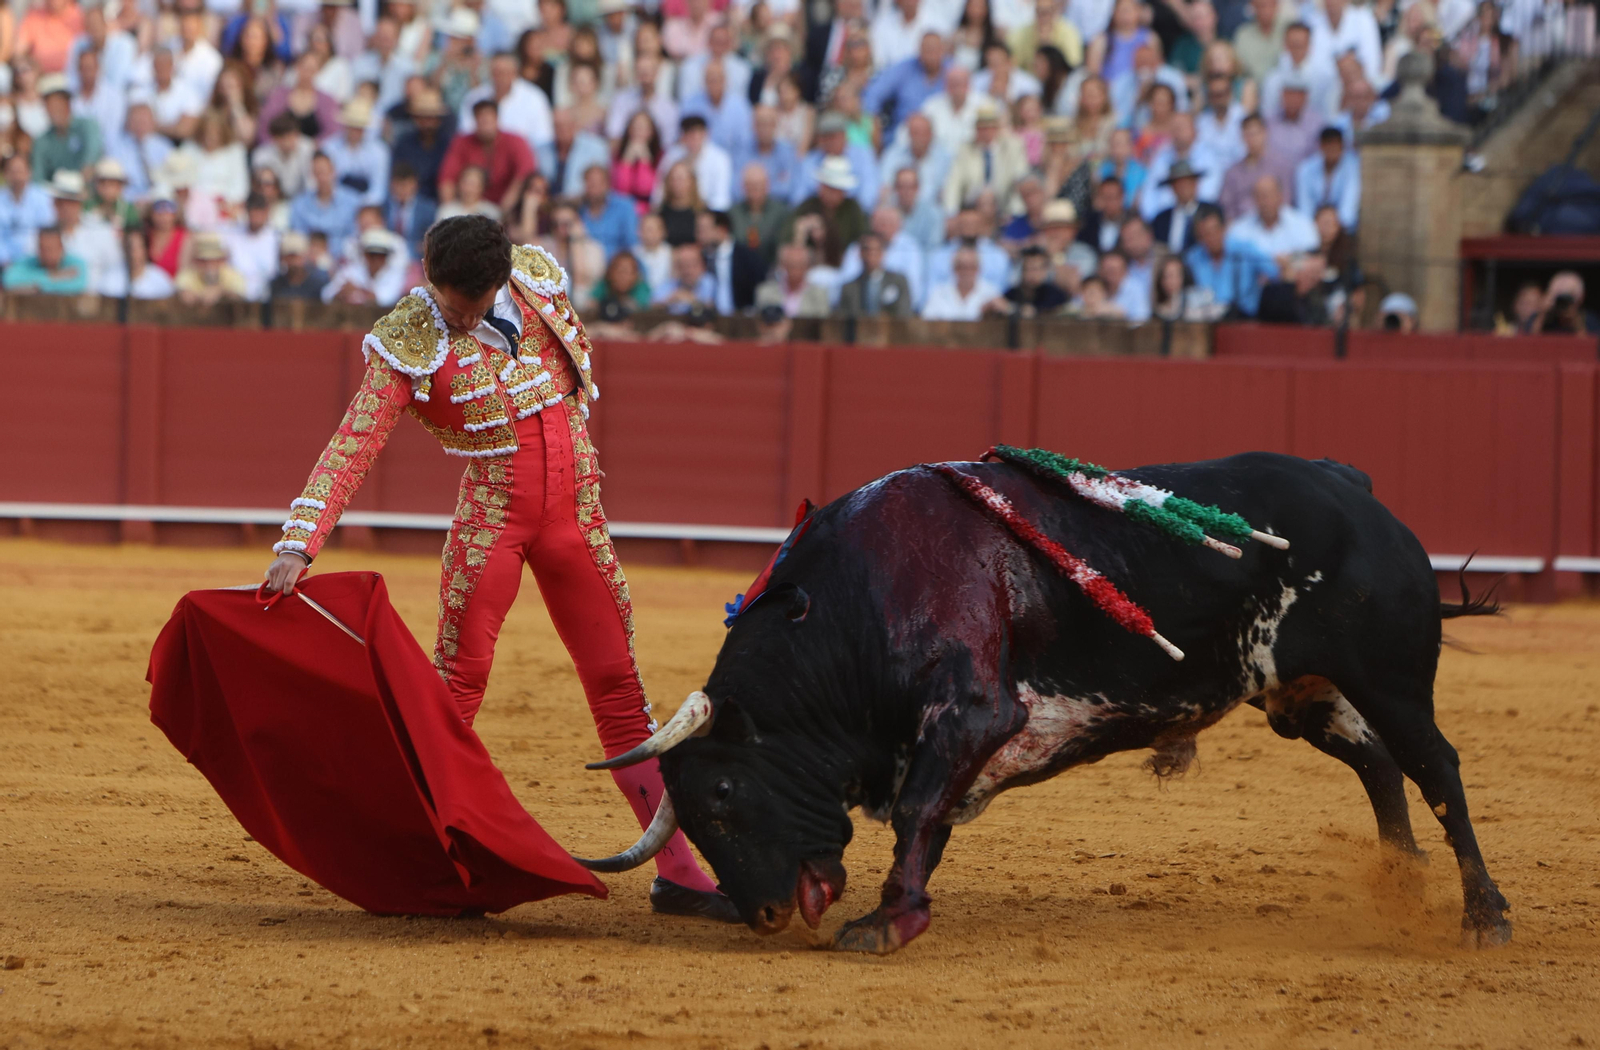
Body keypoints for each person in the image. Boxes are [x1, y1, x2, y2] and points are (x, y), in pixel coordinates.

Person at [260, 216, 738, 921]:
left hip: (577, 517)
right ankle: (421, 858)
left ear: (500, 280)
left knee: (619, 690)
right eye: (451, 303)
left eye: (472, 306)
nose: (459, 317)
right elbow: (353, 442)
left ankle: (679, 873)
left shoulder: (537, 281)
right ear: (427, 272)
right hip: (493, 524)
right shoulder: (409, 338)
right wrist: (299, 542)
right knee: (455, 688)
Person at [439, 99, 536, 213]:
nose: (485, 123)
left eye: (489, 119)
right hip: (470, 207)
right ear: (475, 120)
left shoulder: (515, 141)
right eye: (481, 119)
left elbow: (526, 173)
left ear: (496, 118)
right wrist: (451, 209)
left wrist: (507, 205)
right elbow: (447, 178)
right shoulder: (461, 142)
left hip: (507, 208)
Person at [1183, 204, 1277, 317]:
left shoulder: (1245, 250)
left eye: (1215, 230)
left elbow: (1275, 270)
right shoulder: (1193, 258)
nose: (1211, 238)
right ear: (1199, 236)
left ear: (1224, 228)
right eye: (1205, 234)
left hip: (1244, 319)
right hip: (1208, 320)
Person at [942, 104, 1028, 216]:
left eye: (989, 127)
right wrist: (951, 213)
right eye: (981, 128)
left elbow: (1020, 179)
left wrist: (1015, 213)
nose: (986, 132)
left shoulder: (1013, 147)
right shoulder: (965, 150)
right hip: (972, 208)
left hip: (1004, 207)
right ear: (976, 130)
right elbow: (954, 182)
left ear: (997, 128)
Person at [1229, 174, 1319, 262]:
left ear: (1280, 196)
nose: (1265, 201)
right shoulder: (1239, 229)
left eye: (1269, 195)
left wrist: (1288, 261)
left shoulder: (1301, 224)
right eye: (1260, 196)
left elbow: (1311, 255)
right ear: (1254, 199)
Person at [31, 73, 101, 184]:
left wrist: (79, 184)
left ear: (67, 103)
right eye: (49, 104)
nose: (54, 109)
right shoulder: (42, 141)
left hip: (87, 192)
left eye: (58, 102)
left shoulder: (87, 126)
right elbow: (38, 179)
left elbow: (92, 160)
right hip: (56, 196)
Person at [697, 209, 765, 315]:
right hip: (708, 318)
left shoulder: (747, 257)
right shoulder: (700, 257)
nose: (699, 235)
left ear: (722, 230)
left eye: (704, 230)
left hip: (741, 319)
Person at [1294, 126, 1361, 232]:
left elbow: (1349, 206)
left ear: (1342, 146)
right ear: (1321, 146)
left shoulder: (1353, 167)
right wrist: (1312, 229)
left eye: (1335, 146)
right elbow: (1304, 207)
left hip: (1343, 231)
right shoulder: (1306, 169)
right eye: (1328, 145)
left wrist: (1333, 229)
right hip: (1313, 229)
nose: (1332, 150)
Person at [835, 231, 914, 319]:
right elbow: (844, 319)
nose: (871, 254)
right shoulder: (849, 288)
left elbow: (904, 314)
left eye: (876, 250)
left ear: (882, 253)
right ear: (860, 253)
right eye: (867, 250)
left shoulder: (899, 282)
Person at [322, 227, 407, 306]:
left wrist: (358, 291)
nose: (376, 260)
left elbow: (386, 300)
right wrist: (341, 293)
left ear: (386, 257)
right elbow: (326, 295)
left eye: (381, 255)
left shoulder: (395, 273)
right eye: (372, 254)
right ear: (365, 255)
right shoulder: (352, 270)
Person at [290, 151, 362, 245]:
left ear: (334, 171)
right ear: (312, 175)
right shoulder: (300, 205)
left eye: (324, 172)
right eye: (317, 173)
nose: (322, 177)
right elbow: (299, 238)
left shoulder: (353, 202)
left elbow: (355, 236)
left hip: (344, 257)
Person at [730, 163, 792, 268]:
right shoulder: (733, 213)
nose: (754, 189)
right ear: (743, 187)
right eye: (750, 185)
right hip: (740, 269)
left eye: (758, 185)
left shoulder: (781, 212)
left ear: (767, 185)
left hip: (771, 268)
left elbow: (784, 245)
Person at [753, 240, 830, 318]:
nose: (795, 270)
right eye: (791, 265)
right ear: (783, 265)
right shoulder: (765, 292)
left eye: (800, 265)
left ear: (807, 267)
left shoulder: (819, 294)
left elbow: (823, 324)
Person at [2, 225, 87, 294]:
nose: (46, 254)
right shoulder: (26, 262)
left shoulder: (77, 264)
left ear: (61, 248)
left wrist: (35, 287)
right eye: (42, 248)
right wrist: (54, 276)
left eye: (50, 248)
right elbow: (9, 281)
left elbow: (78, 285)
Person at [924, 245, 1000, 321]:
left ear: (978, 269)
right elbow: (927, 320)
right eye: (962, 267)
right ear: (954, 268)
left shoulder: (990, 293)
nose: (966, 272)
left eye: (971, 267)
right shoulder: (939, 293)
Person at [993, 245, 1069, 316]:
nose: (1032, 274)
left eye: (1036, 269)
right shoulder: (1011, 295)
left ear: (1046, 270)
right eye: (1028, 269)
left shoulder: (1057, 296)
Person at [176, 232, 248, 306]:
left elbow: (238, 295)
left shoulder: (233, 275)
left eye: (213, 260)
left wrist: (221, 291)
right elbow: (182, 290)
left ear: (221, 261)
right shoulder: (188, 275)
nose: (209, 266)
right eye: (204, 261)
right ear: (196, 261)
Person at [1150, 159, 1206, 253]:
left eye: (1187, 183)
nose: (1184, 188)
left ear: (1195, 184)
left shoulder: (1209, 212)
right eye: (1179, 185)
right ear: (1172, 188)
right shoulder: (1161, 220)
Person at [383, 163, 437, 260]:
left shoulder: (428, 209)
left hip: (415, 260)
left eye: (406, 185)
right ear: (391, 184)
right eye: (398, 185)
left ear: (415, 184)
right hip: (386, 258)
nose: (402, 189)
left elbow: (430, 241)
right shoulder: (383, 207)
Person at [652, 241, 718, 314]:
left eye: (692, 265)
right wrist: (669, 300)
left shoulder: (712, 284)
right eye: (682, 266)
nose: (688, 271)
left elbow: (718, 307)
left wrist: (692, 301)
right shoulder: (669, 285)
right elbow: (652, 308)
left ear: (702, 266)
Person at [1151, 254, 1223, 320]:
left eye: (1176, 275)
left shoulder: (1196, 301)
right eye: (1167, 276)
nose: (1171, 281)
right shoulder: (1158, 311)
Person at [268, 231, 329, 300]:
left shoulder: (319, 283)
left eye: (296, 256)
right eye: (289, 256)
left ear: (305, 255)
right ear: (283, 258)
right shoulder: (276, 285)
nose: (293, 261)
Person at [124, 229, 176, 300]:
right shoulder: (112, 278)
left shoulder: (160, 281)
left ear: (146, 250)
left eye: (138, 247)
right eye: (130, 247)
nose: (133, 253)